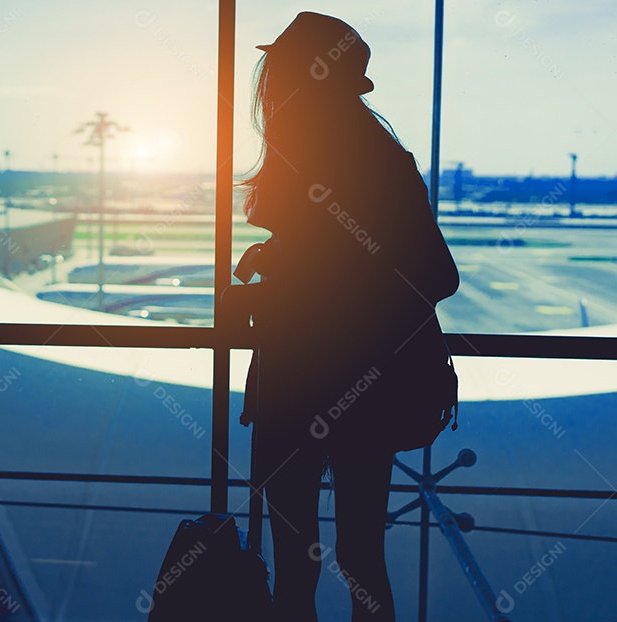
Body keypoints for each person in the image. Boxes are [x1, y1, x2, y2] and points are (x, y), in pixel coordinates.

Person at [229, 11, 460, 621]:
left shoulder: (326, 158)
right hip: (360, 389)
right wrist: (284, 259)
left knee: (296, 564)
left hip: (306, 384)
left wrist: (275, 291)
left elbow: (408, 271)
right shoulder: (369, 156)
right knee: (359, 557)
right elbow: (389, 263)